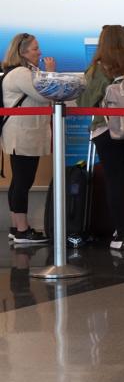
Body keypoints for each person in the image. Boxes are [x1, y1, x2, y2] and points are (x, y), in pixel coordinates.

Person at [77, 25, 124, 251]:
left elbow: (85, 103)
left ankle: (122, 234)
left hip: (107, 130)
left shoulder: (98, 69)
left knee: (116, 181)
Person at [1, 33, 55, 244]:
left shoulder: (27, 72)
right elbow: (45, 94)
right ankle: (23, 230)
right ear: (22, 52)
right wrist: (51, 73)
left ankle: (17, 227)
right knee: (23, 181)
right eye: (35, 48)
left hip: (24, 134)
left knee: (19, 181)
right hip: (23, 134)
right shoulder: (21, 73)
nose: (39, 52)